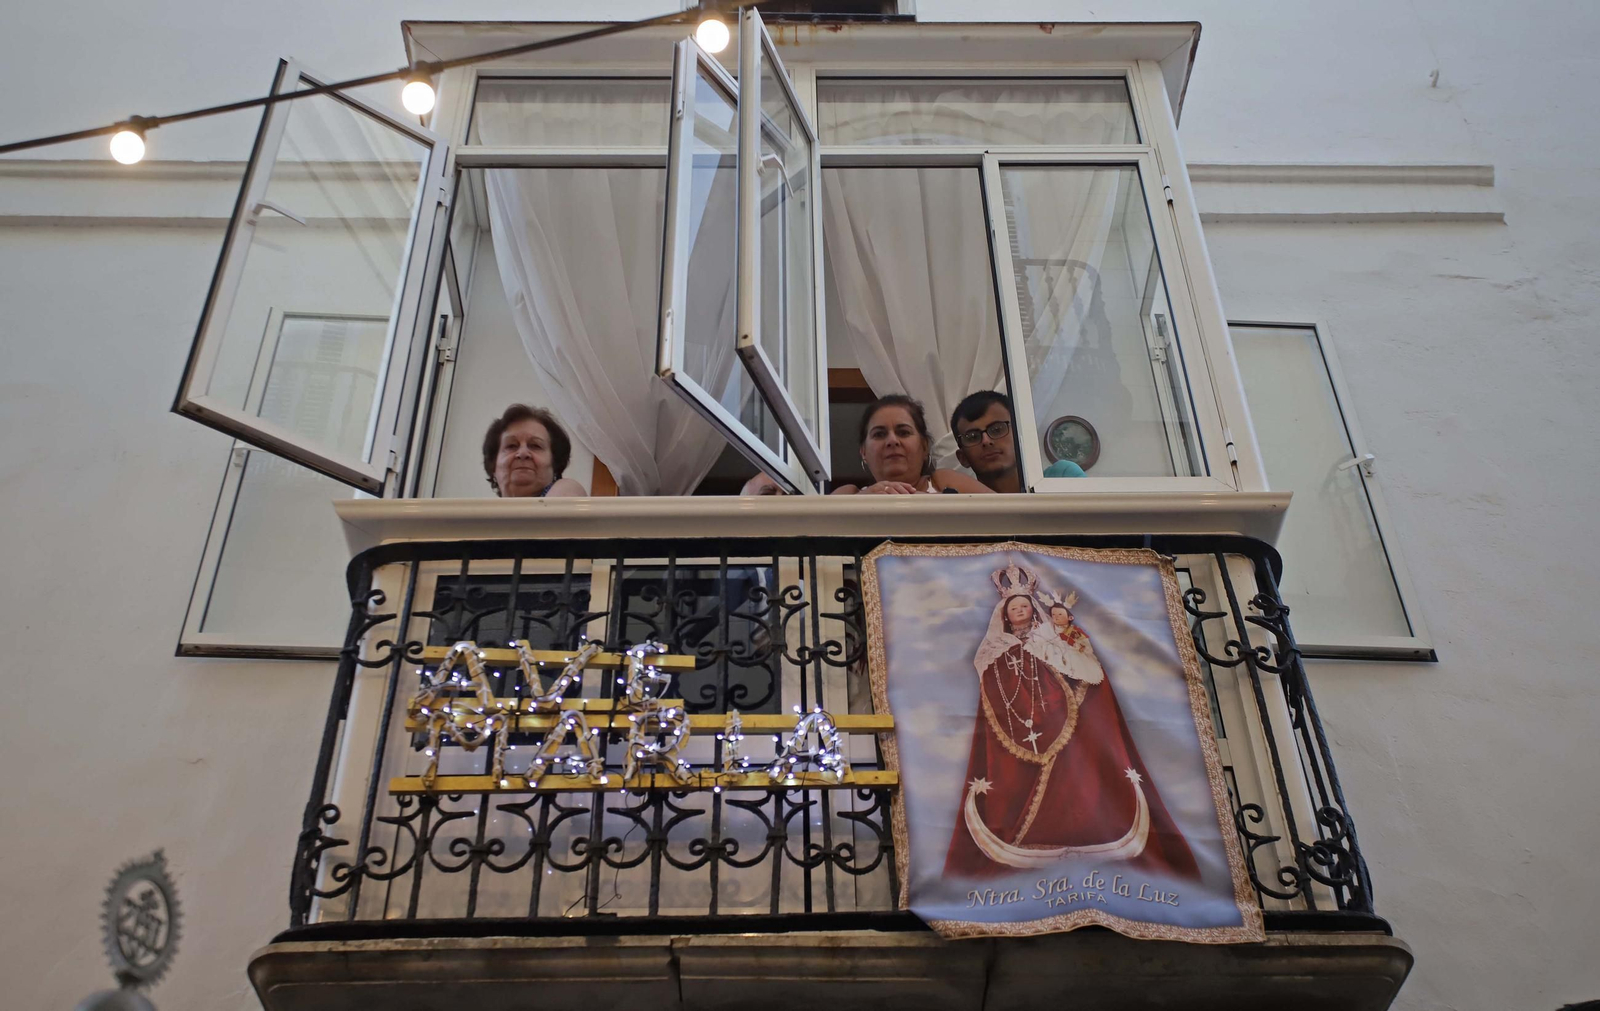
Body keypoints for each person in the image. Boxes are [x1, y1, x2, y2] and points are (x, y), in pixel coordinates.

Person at [944, 562, 1198, 880]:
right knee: (1017, 780)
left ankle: (1086, 831)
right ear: (1004, 615)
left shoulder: (1052, 638)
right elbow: (994, 681)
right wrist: (1017, 661)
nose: (1020, 611)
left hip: (1065, 719)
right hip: (1024, 724)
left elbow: (1082, 672)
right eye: (1014, 608)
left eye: (1024, 606)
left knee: (1075, 773)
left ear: (1033, 609)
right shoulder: (997, 650)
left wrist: (1057, 665)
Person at [833, 394, 991, 495]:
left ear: (925, 446)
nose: (892, 441)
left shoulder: (944, 481)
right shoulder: (849, 494)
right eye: (879, 434)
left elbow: (1002, 516)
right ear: (863, 452)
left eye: (903, 432)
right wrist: (863, 501)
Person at [950, 390, 1085, 493]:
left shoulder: (1061, 477)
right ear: (962, 458)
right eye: (972, 437)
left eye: (997, 429)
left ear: (1021, 437)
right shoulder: (962, 509)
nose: (986, 441)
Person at [481, 404, 586, 498]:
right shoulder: (477, 512)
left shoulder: (568, 491)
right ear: (493, 465)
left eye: (535, 446)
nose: (523, 453)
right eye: (511, 446)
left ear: (555, 464)